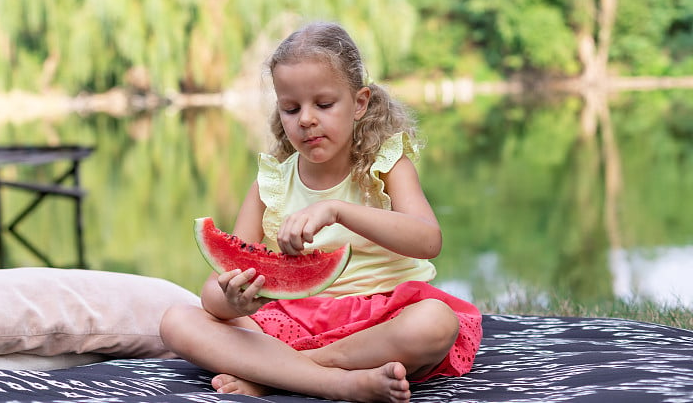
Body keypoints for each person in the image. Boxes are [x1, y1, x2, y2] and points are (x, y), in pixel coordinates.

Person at [160, 21, 482, 403]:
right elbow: (217, 289)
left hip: (382, 322)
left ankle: (282, 373)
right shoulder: (271, 185)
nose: (307, 119)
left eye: (324, 104)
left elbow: (428, 241)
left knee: (435, 322)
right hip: (289, 323)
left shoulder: (387, 165)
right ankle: (340, 383)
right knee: (177, 321)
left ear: (359, 103)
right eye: (291, 108)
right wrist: (232, 299)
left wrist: (338, 210)